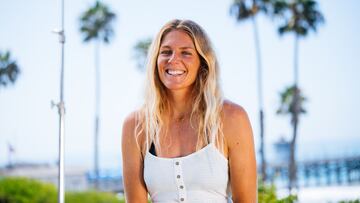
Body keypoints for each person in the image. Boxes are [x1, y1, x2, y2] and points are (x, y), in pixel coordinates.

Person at [122, 19, 257, 203]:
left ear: (202, 62)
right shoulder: (136, 126)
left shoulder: (232, 118)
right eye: (166, 52)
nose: (173, 60)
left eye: (186, 53)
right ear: (155, 60)